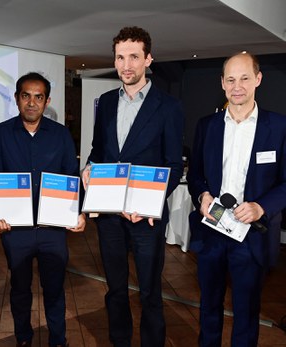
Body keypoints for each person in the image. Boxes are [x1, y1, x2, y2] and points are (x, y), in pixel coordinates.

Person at [82, 26, 184, 347]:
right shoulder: (107, 102)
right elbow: (99, 151)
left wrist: (151, 205)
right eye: (120, 57)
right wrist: (88, 168)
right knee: (114, 289)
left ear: (148, 59)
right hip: (111, 215)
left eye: (134, 57)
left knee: (151, 291)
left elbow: (173, 164)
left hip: (147, 219)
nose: (126, 65)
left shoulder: (168, 106)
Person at [187, 52, 286, 346]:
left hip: (251, 238)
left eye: (244, 78)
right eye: (230, 79)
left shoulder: (279, 127)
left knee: (246, 312)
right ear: (222, 83)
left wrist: (261, 207)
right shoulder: (208, 125)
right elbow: (196, 175)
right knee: (209, 309)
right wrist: (201, 194)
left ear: (258, 79)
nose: (237, 85)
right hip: (212, 232)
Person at [0, 72, 86, 347]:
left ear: (46, 100)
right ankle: (24, 338)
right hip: (15, 231)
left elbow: (71, 178)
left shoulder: (61, 135)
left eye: (38, 97)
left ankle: (57, 340)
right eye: (26, 96)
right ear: (17, 99)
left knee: (54, 290)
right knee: (19, 289)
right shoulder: (1, 133)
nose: (32, 102)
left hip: (53, 230)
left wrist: (78, 212)